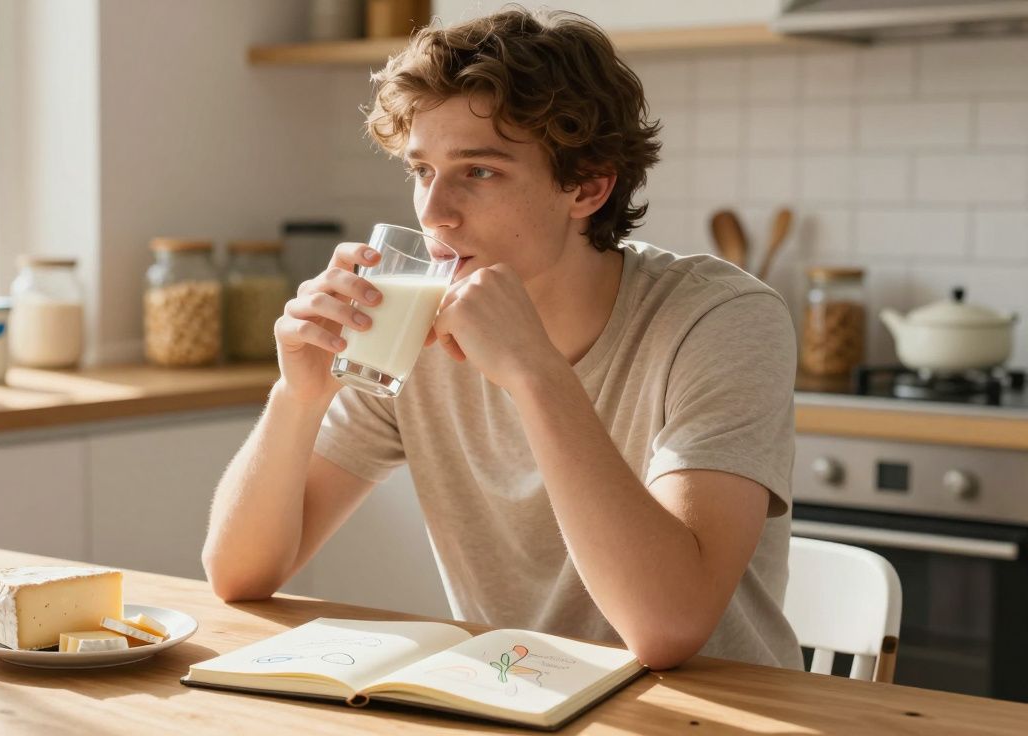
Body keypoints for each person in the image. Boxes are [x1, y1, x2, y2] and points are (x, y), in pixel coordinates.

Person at [201, 7, 801, 671]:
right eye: (422, 170)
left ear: (589, 186)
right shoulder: (413, 325)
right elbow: (238, 574)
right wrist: (299, 395)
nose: (433, 211)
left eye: (478, 172)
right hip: (516, 699)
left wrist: (536, 374)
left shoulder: (720, 319)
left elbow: (667, 628)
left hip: (711, 714)